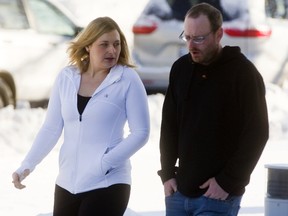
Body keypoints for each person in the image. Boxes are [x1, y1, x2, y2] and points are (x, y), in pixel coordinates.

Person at [12, 16, 150, 216]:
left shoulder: (127, 79)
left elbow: (141, 133)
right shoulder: (66, 77)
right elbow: (51, 128)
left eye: (116, 44)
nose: (112, 50)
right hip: (68, 182)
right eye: (104, 44)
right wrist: (27, 165)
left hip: (108, 182)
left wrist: (104, 164)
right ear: (88, 46)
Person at [157, 3, 269, 216]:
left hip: (218, 197)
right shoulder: (180, 69)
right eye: (187, 37)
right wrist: (167, 173)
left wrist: (228, 182)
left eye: (199, 38)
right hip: (179, 192)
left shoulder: (243, 73)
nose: (192, 45)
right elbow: (169, 125)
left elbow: (257, 133)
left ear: (219, 34)